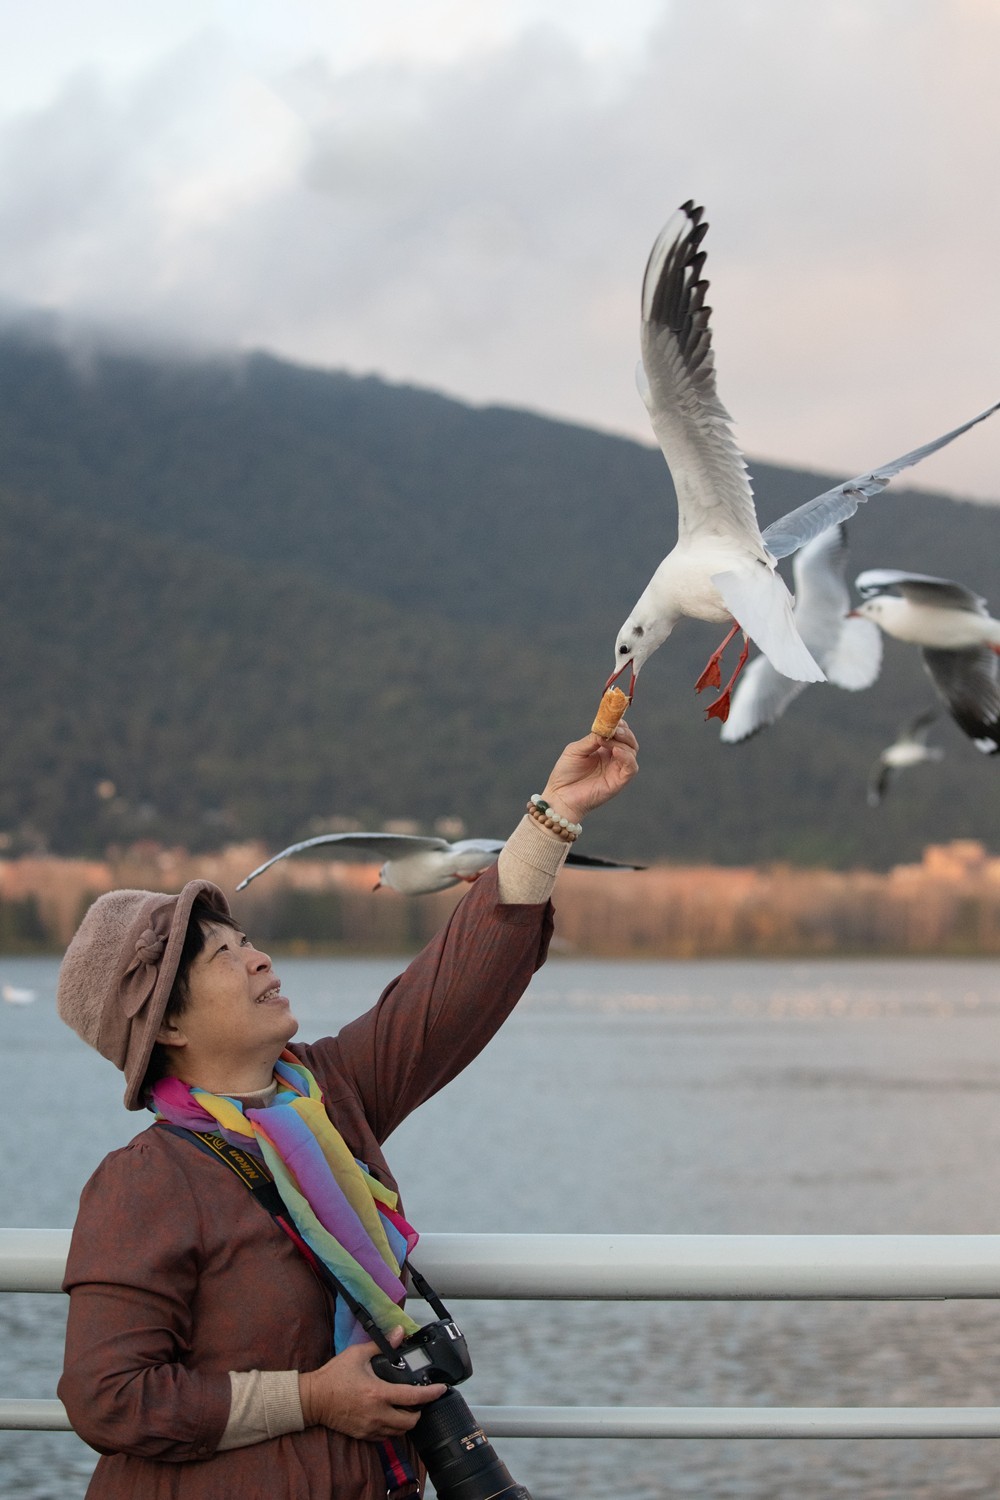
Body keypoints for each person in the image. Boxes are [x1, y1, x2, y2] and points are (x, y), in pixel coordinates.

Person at [56, 724, 638, 1500]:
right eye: (223, 956)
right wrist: (311, 1398)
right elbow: (109, 1396)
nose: (259, 958)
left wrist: (554, 813)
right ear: (166, 1025)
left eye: (249, 940)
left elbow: (453, 986)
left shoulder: (330, 1095)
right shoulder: (146, 1183)